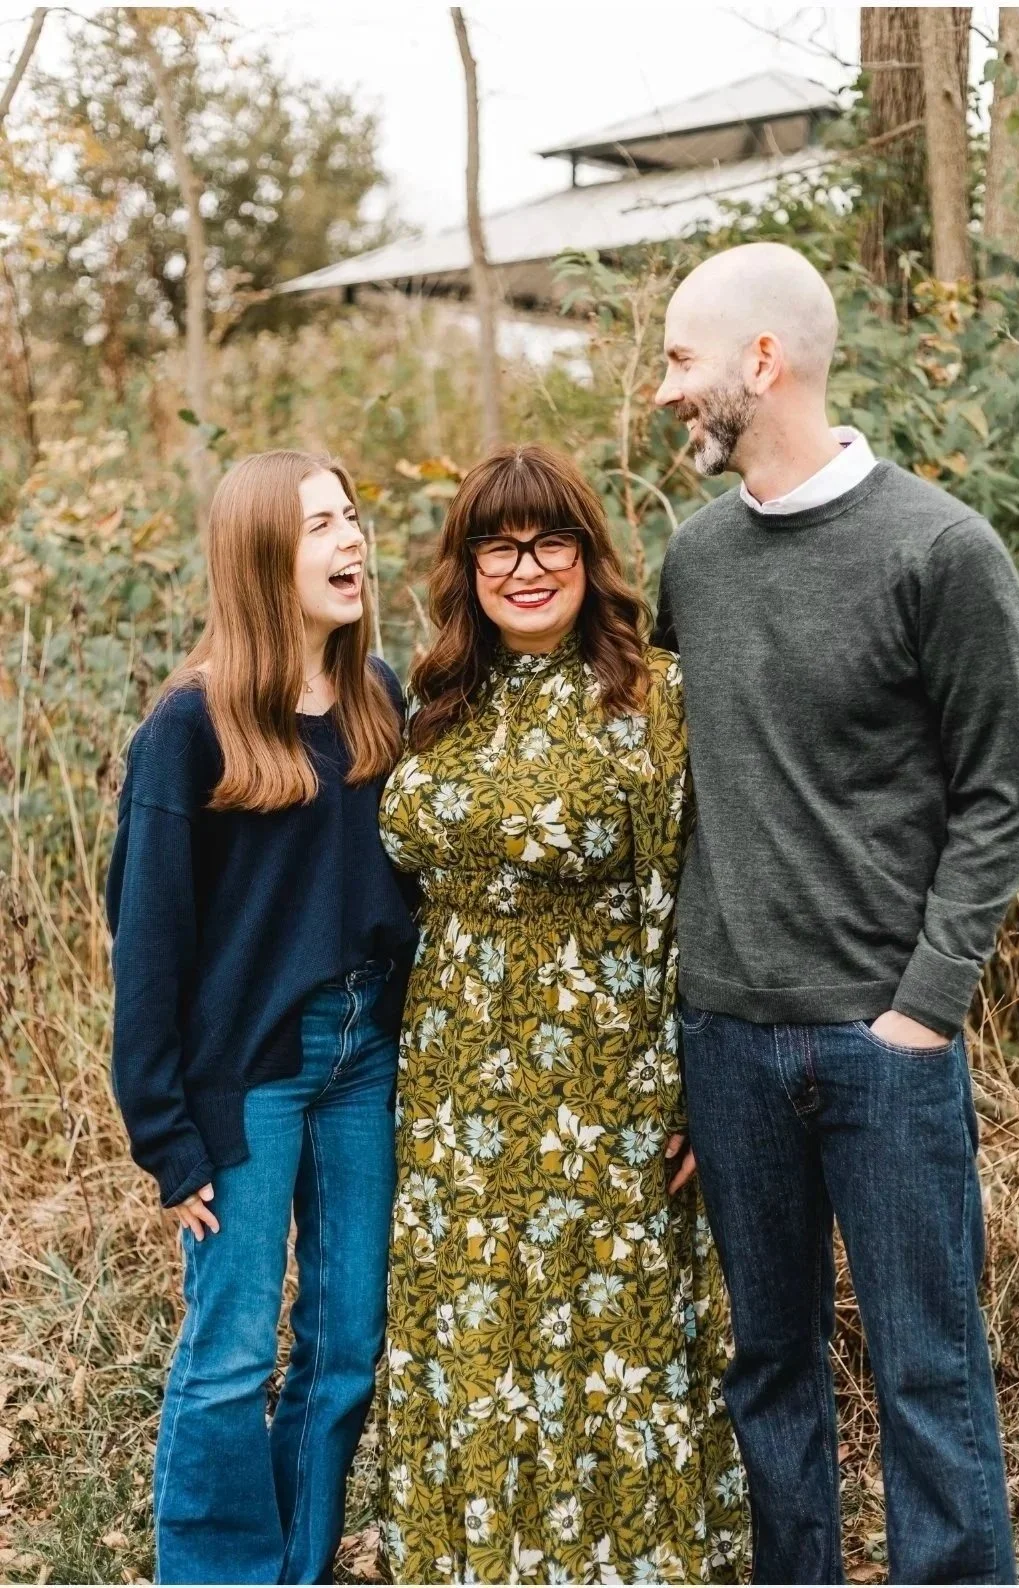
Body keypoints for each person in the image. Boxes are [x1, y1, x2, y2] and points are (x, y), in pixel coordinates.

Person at [653, 241, 1019, 1586]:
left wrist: (922, 1010)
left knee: (927, 1373)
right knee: (768, 1369)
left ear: (760, 362)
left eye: (679, 359)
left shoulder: (940, 550)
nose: (664, 390)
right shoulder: (693, 561)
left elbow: (997, 796)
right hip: (725, 1044)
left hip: (883, 1047)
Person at [377, 443, 743, 1585]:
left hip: (601, 1091)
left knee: (608, 1355)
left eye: (550, 541)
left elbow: (693, 901)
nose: (525, 567)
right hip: (450, 1092)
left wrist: (690, 1087)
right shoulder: (434, 703)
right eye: (498, 545)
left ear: (589, 555)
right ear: (466, 564)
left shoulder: (656, 699)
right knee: (474, 1348)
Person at [106, 450, 418, 1585]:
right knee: (231, 1354)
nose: (350, 541)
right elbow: (146, 942)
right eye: (317, 525)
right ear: (258, 557)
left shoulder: (378, 693)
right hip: (245, 1076)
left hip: (363, 1058)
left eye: (350, 516)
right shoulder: (190, 726)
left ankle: (295, 1564)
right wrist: (164, 1130)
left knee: (345, 1346)